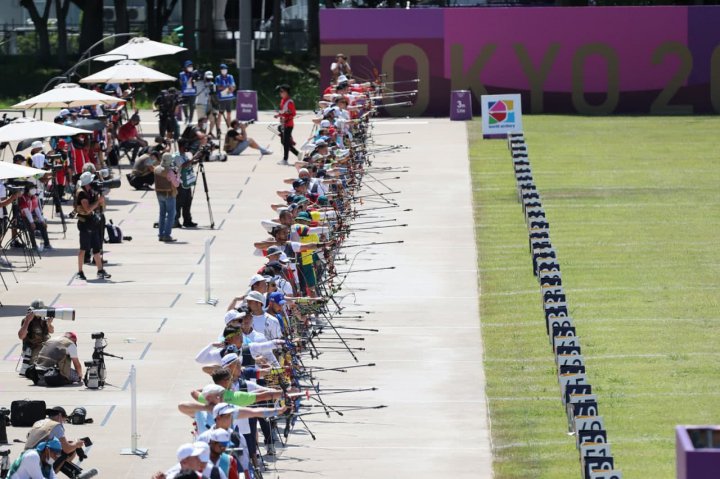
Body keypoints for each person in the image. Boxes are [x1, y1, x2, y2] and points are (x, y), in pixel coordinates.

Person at [24, 407, 86, 472]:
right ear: (59, 416)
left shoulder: (38, 422)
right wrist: (76, 444)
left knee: (59, 448)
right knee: (69, 451)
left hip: (25, 457)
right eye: (63, 420)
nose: (63, 423)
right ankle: (49, 473)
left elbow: (29, 437)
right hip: (39, 462)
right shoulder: (56, 425)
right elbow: (67, 449)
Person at [74, 172, 110, 280]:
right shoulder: (82, 193)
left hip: (92, 222)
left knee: (96, 248)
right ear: (87, 183)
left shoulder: (90, 191)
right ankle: (80, 272)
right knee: (83, 249)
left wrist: (100, 199)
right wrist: (98, 202)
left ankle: (100, 270)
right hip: (85, 223)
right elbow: (88, 209)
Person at [18, 300, 53, 367]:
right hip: (32, 348)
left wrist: (49, 324)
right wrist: (27, 321)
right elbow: (21, 336)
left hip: (44, 346)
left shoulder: (43, 319)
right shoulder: (27, 320)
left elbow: (51, 331)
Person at [18, 184, 52, 252]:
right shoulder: (23, 198)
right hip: (22, 218)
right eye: (32, 188)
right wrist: (32, 222)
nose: (34, 190)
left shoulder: (34, 197)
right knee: (31, 227)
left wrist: (42, 221)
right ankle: (34, 246)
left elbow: (37, 210)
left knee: (43, 226)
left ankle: (47, 244)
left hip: (30, 217)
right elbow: (26, 212)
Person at [154, 153, 179, 242]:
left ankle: (161, 234)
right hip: (169, 194)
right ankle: (167, 235)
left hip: (159, 194)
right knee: (171, 215)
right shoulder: (170, 172)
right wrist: (178, 175)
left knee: (162, 214)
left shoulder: (156, 169)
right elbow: (176, 184)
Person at [275, 84, 298, 164]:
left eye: (282, 91)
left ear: (287, 92)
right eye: (280, 91)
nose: (280, 93)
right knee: (285, 142)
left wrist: (285, 116)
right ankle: (299, 155)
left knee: (285, 142)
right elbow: (284, 112)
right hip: (283, 124)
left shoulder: (290, 102)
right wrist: (279, 115)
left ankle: (285, 160)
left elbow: (293, 113)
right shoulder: (282, 101)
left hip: (288, 125)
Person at [174, 153, 198, 228]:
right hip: (181, 183)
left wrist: (195, 160)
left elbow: (189, 164)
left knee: (188, 202)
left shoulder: (186, 155)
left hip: (187, 182)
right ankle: (175, 221)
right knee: (179, 202)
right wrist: (193, 158)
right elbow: (183, 166)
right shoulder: (177, 156)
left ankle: (187, 220)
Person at [196, 71, 221, 139]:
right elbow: (192, 84)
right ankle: (201, 133)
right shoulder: (199, 83)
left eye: (210, 78)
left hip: (210, 104)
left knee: (212, 119)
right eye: (207, 78)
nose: (209, 80)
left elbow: (214, 94)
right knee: (202, 121)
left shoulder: (212, 84)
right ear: (204, 77)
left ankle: (210, 132)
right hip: (201, 104)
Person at [215, 64, 236, 128]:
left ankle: (229, 127)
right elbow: (218, 88)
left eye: (225, 69)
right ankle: (218, 128)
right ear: (220, 70)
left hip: (229, 97)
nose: (224, 70)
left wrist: (231, 90)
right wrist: (227, 87)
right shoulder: (218, 77)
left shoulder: (230, 76)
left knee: (229, 113)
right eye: (223, 69)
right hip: (222, 98)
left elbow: (233, 86)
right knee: (220, 114)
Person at [179, 60, 198, 125]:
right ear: (185, 67)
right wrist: (189, 79)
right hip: (185, 92)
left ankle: (190, 119)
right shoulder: (181, 74)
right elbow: (181, 83)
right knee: (184, 105)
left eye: (191, 66)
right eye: (189, 66)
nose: (190, 67)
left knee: (192, 106)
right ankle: (186, 117)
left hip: (193, 93)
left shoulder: (194, 73)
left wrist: (194, 77)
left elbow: (197, 82)